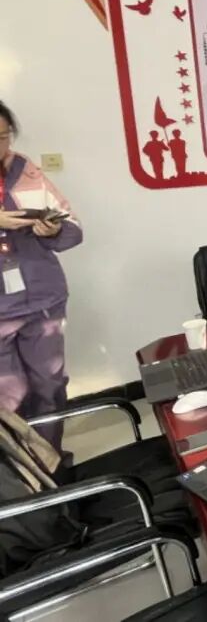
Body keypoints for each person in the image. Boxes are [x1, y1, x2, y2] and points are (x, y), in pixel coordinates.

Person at [0, 102, 83, 449]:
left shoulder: (26, 171)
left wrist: (53, 230)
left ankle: (52, 464)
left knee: (49, 387)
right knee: (9, 397)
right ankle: (22, 473)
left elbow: (73, 228)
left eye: (3, 136)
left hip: (42, 300)